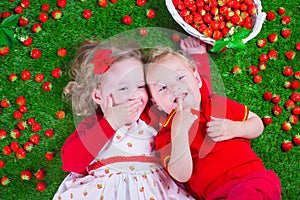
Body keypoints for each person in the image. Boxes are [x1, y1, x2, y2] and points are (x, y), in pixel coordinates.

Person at [53, 39, 195, 200]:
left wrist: (194, 61)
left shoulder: (153, 115)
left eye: (140, 86)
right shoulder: (95, 125)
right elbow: (72, 162)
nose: (134, 95)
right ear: (98, 95)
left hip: (156, 189)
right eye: (123, 88)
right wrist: (110, 122)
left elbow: (194, 98)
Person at [145, 37, 282, 200]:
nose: (174, 88)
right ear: (157, 105)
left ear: (196, 80)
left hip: (252, 181)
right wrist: (179, 133)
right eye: (162, 88)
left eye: (180, 78)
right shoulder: (167, 135)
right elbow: (182, 175)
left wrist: (234, 128)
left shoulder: (216, 104)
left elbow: (257, 124)